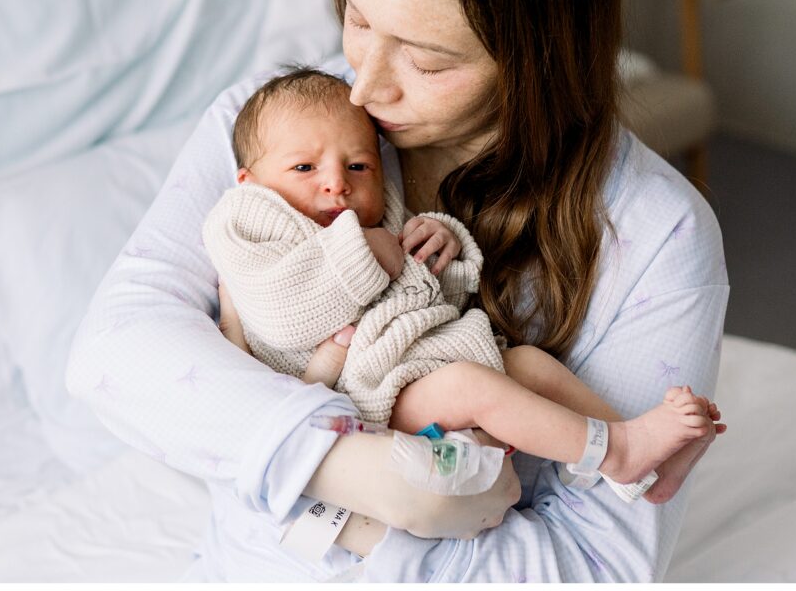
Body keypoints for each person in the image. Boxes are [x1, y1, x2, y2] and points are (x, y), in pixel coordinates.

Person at [66, 0, 729, 582]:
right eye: (354, 15)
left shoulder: (657, 235)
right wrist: (338, 469)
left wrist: (285, 465)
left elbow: (596, 567)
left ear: (542, 47)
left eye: (427, 59)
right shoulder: (272, 131)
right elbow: (112, 352)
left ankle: (621, 449)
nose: (364, 88)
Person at [204, 65, 720, 499]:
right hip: (359, 394)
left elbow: (434, 296)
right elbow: (282, 312)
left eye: (359, 165)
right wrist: (370, 252)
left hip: (416, 358)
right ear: (250, 181)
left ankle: (642, 469)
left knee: (530, 365)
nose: (337, 181)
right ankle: (623, 453)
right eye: (304, 166)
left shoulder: (368, 217)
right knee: (471, 387)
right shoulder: (244, 223)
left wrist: (441, 243)